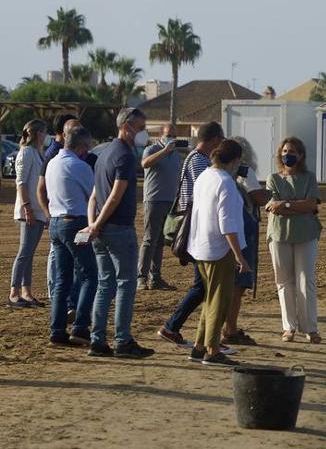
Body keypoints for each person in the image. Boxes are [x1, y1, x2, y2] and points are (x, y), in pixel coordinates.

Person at [85, 108, 155, 358]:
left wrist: (94, 224)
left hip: (102, 230)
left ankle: (97, 340)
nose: (143, 132)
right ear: (126, 126)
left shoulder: (104, 154)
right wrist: (98, 223)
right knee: (126, 284)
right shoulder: (124, 156)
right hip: (118, 229)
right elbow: (115, 195)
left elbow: (94, 196)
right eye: (140, 126)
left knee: (105, 285)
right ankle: (122, 340)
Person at [158, 121, 224, 347]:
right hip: (196, 230)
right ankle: (174, 327)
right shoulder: (199, 161)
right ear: (215, 140)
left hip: (197, 228)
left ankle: (183, 329)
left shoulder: (198, 159)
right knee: (203, 285)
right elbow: (204, 193)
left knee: (203, 285)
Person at [186, 139, 251, 366]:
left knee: (209, 299)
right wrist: (240, 256)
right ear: (234, 160)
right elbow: (227, 224)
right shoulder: (226, 182)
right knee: (219, 301)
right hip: (218, 248)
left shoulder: (205, 176)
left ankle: (200, 345)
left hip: (200, 246)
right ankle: (212, 350)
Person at [45, 126, 99, 345]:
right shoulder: (80, 166)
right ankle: (80, 327)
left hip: (56, 223)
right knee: (89, 276)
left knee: (62, 279)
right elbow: (94, 195)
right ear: (81, 146)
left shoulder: (52, 163)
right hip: (75, 222)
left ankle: (57, 330)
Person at [266, 136, 322, 343]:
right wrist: (296, 205)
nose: (288, 155)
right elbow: (272, 206)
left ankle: (310, 328)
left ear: (300, 156)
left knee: (305, 280)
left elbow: (311, 205)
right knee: (284, 282)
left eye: (292, 152)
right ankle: (288, 327)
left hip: (306, 234)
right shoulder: (273, 178)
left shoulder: (309, 177)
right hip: (279, 235)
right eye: (285, 152)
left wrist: (287, 205)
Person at [220, 136, 267, 347]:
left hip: (229, 231)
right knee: (238, 284)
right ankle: (229, 328)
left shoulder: (221, 174)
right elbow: (258, 196)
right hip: (243, 230)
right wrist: (275, 192)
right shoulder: (244, 171)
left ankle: (227, 327)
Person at [9, 120, 48, 309]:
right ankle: (14, 292)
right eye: (44, 132)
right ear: (38, 133)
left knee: (29, 253)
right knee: (24, 252)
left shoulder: (36, 153)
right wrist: (27, 207)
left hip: (37, 211)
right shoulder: (26, 153)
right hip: (29, 210)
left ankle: (26, 291)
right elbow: (21, 183)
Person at [138, 124, 182, 291]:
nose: (172, 138)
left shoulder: (176, 155)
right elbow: (145, 163)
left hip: (169, 201)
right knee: (149, 239)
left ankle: (155, 277)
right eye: (169, 135)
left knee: (160, 241)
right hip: (154, 200)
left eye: (174, 135)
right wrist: (164, 151)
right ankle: (141, 277)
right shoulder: (152, 149)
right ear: (161, 136)